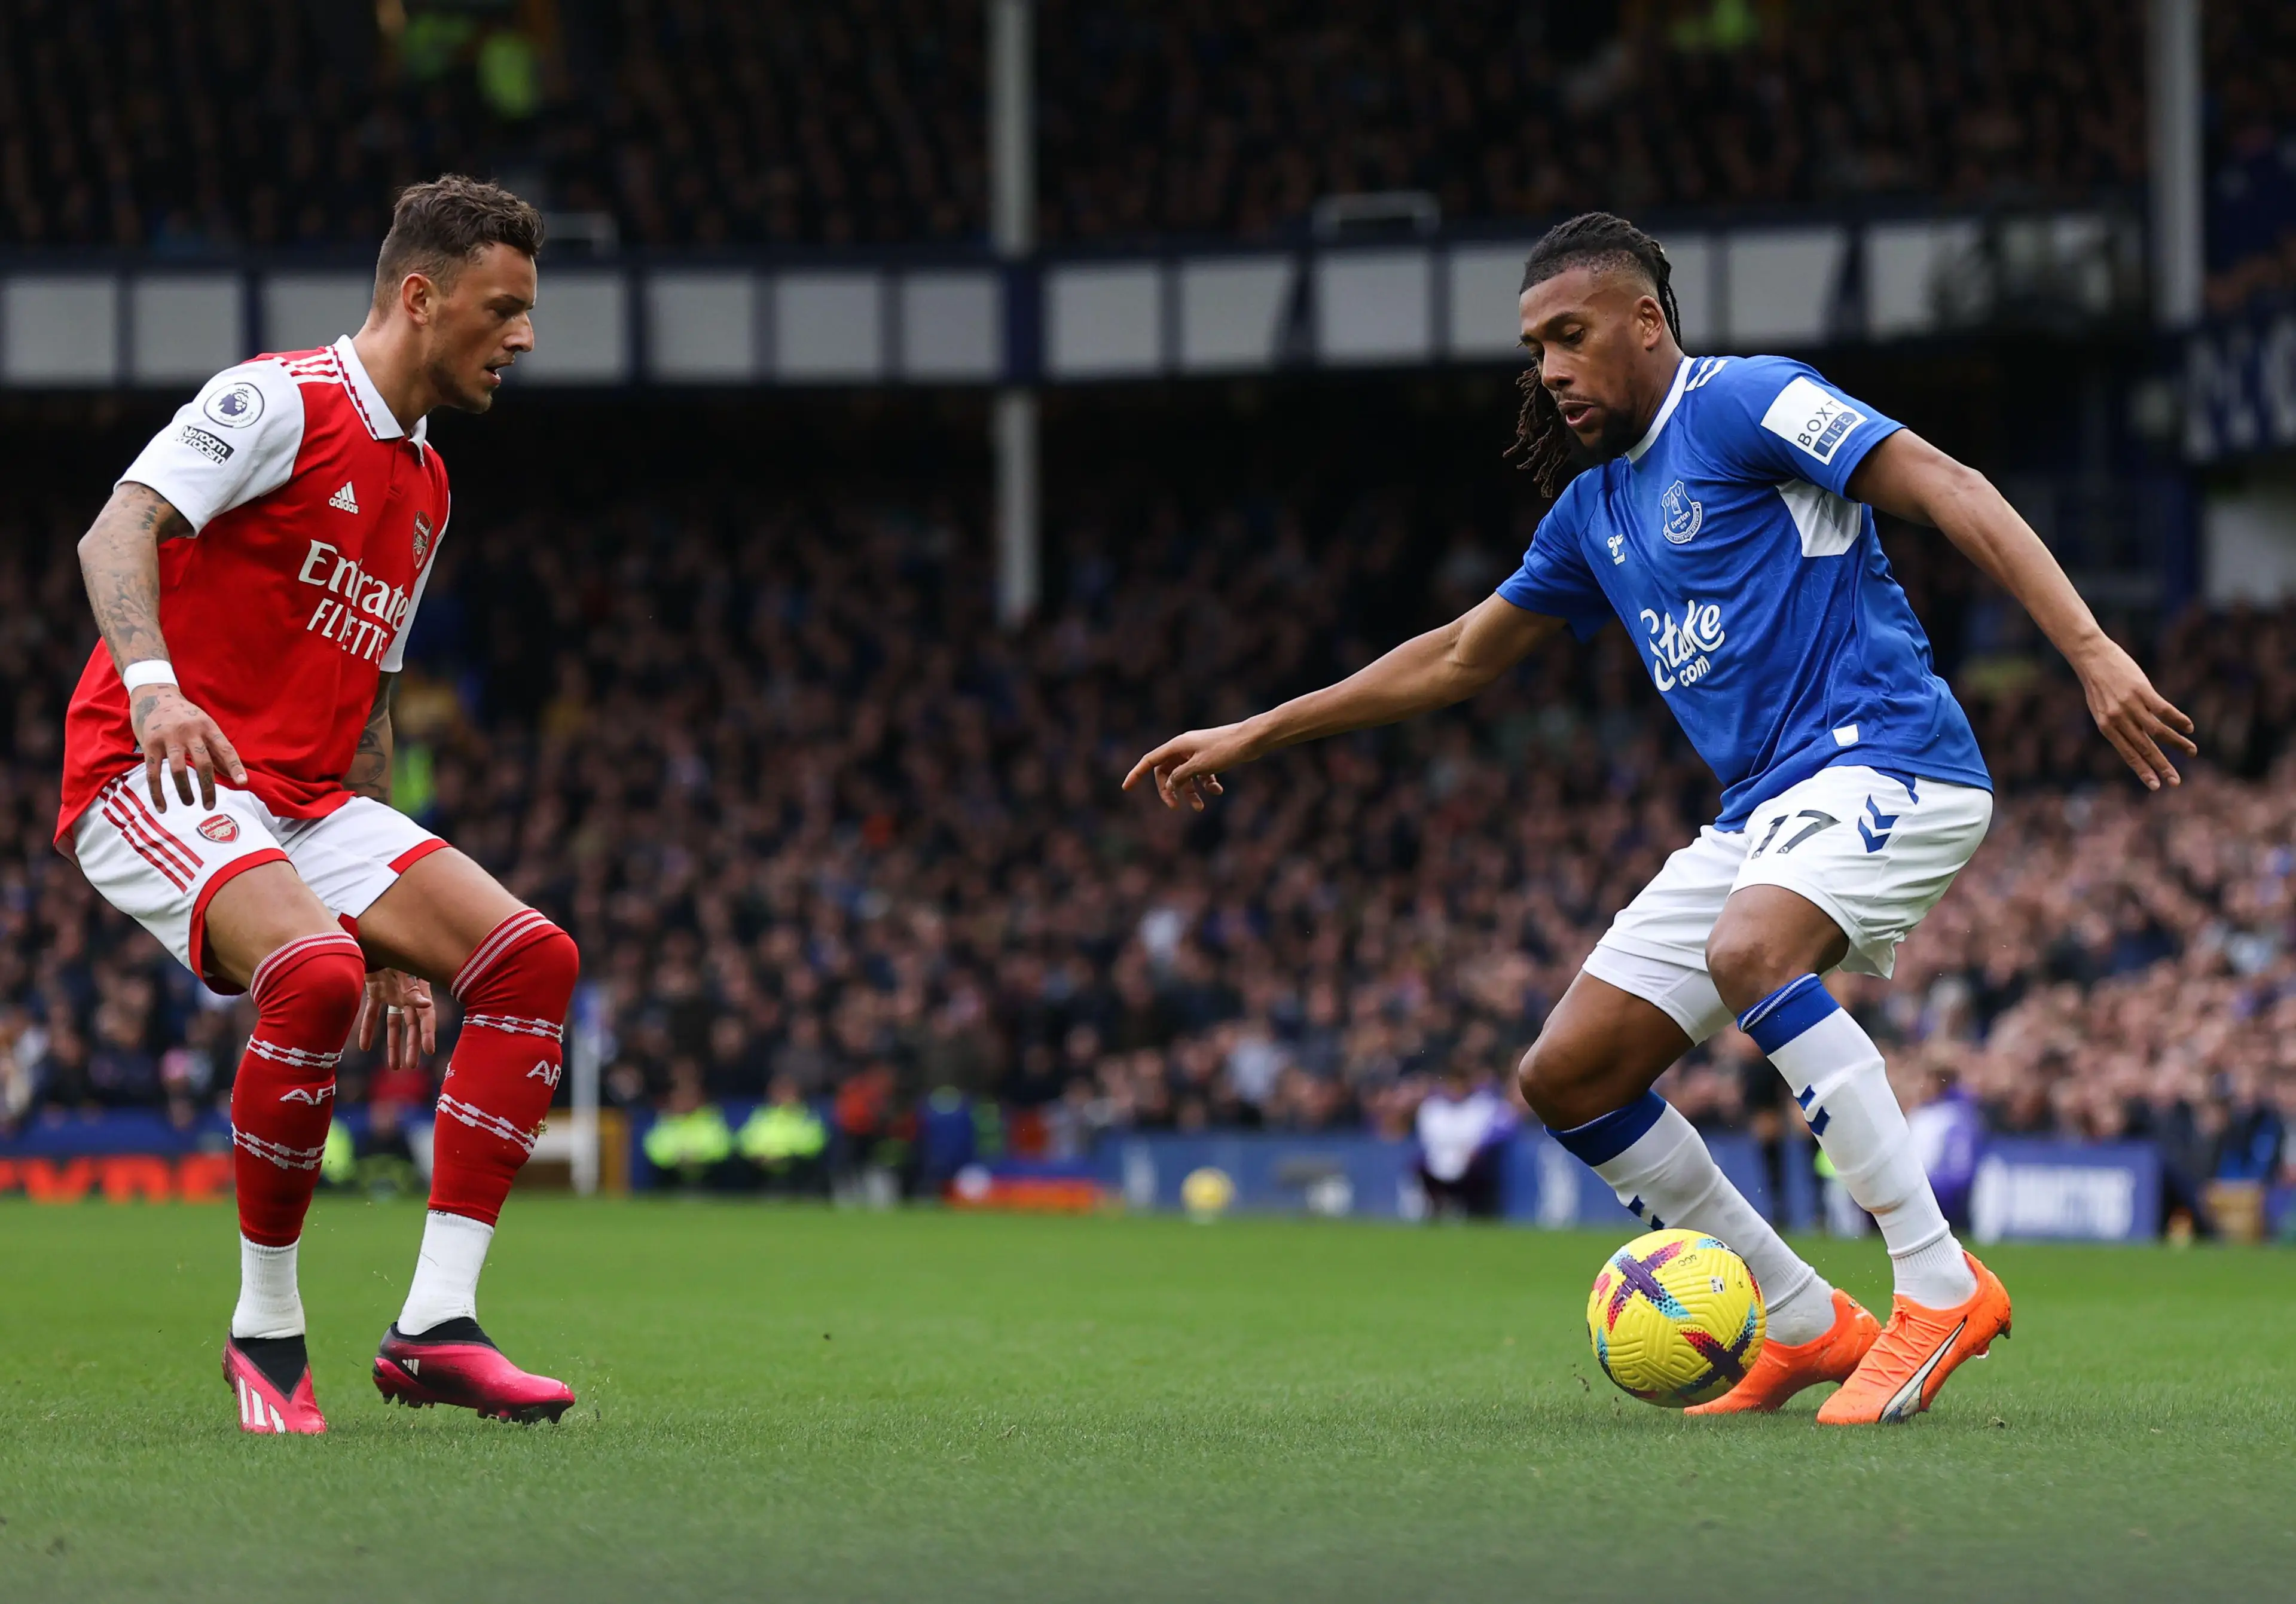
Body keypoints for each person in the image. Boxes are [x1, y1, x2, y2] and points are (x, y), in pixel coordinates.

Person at [1125, 212, 2196, 1424]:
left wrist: (2093, 651)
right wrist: (1259, 730)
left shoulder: (1747, 403)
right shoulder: (1592, 514)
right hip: (1762, 811)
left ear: (1648, 321)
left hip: (1889, 756)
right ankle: (1802, 1321)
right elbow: (1459, 658)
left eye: (1572, 336)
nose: (1552, 369)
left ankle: (1940, 1285)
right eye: (1536, 348)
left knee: (1751, 953)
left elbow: (1946, 485)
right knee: (1569, 1074)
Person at [57, 175, 578, 1434]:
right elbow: (113, 533)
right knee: (314, 975)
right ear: (421, 295)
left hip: (307, 797)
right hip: (157, 771)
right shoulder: (277, 399)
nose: (523, 337)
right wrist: (155, 689)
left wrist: (400, 931)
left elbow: (370, 699)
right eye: (503, 308)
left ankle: (435, 1327)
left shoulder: (430, 487)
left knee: (529, 960)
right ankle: (267, 1334)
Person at [1413, 1063, 1516, 1219]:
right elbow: (1428, 1141)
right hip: (1439, 1163)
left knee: (1482, 1170)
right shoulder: (1433, 1108)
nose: (1456, 1089)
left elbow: (1505, 1125)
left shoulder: (1482, 1105)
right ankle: (1436, 1209)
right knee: (1419, 1167)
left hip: (1471, 1166)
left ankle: (1474, 1212)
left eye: (1460, 1084)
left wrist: (1478, 1150)